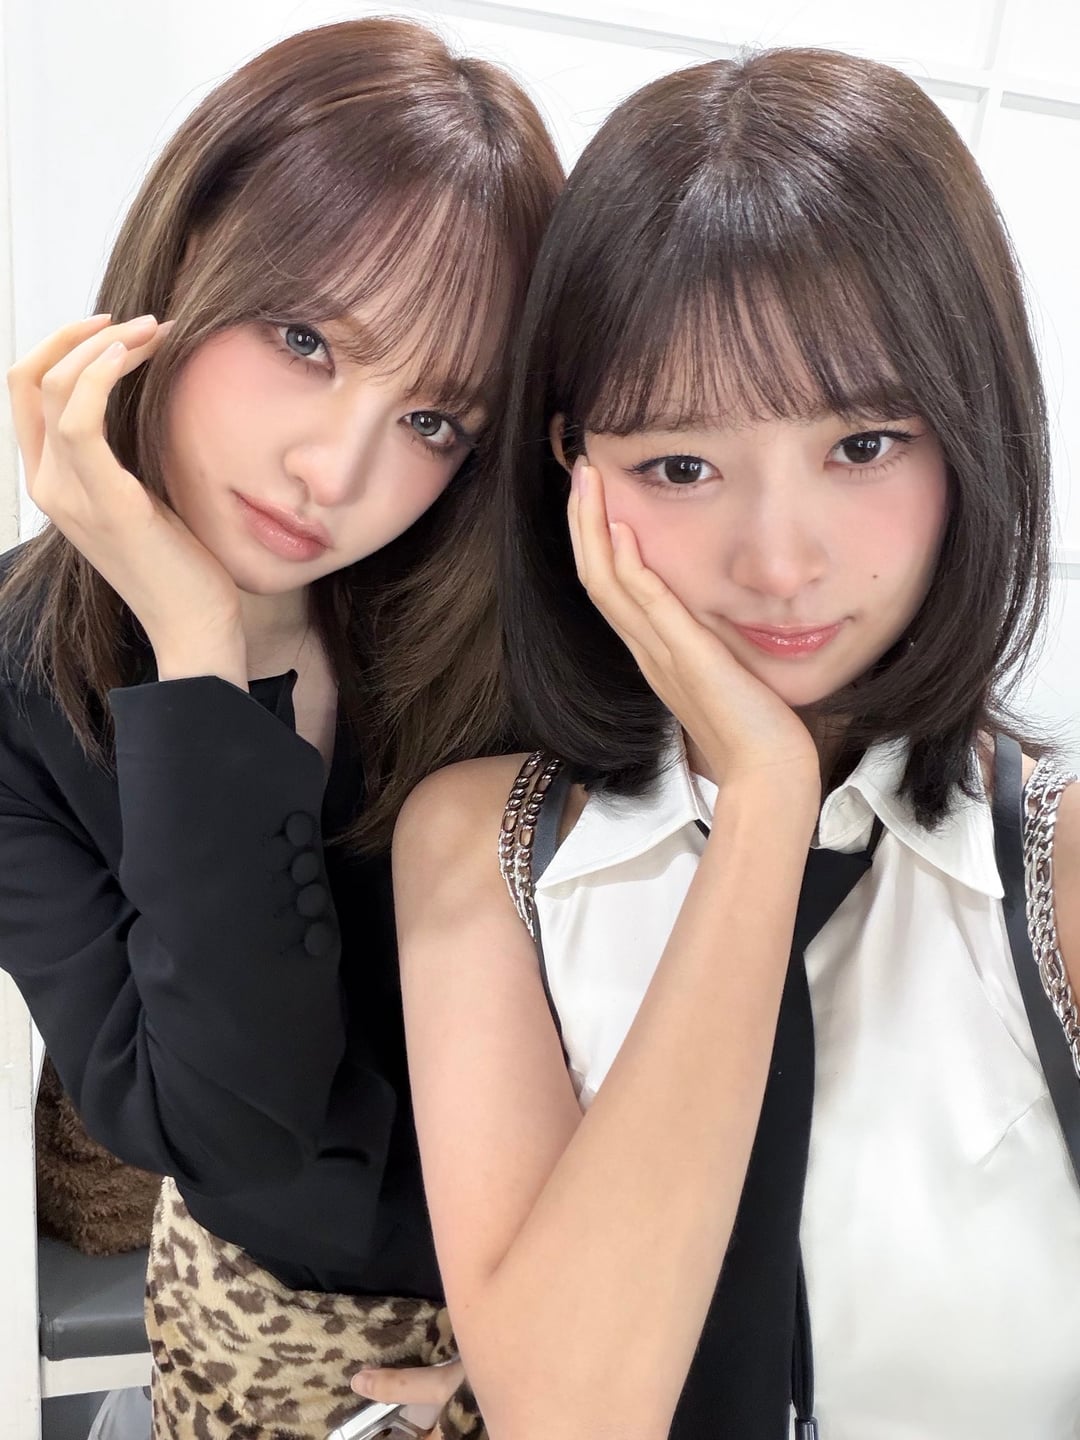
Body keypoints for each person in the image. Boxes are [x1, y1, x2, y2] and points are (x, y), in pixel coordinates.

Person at [390, 47, 1080, 1440]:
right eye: (682, 466)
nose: (779, 563)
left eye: (865, 445)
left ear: (974, 433)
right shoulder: (489, 846)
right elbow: (572, 1415)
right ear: (572, 468)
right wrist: (766, 801)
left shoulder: (1055, 863)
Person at [1, 18, 561, 1438]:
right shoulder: (16, 678)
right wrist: (202, 659)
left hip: (569, 1322)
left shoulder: (528, 642)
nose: (336, 470)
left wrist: (563, 1347)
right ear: (184, 266)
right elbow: (226, 1127)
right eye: (305, 341)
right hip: (247, 1324)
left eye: (434, 421)